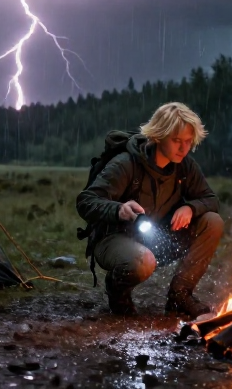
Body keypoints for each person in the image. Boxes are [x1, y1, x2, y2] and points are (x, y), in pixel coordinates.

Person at [76, 102, 223, 317]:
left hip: (156, 238)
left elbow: (210, 199)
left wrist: (191, 207)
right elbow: (85, 201)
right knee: (143, 262)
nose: (184, 148)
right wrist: (119, 209)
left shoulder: (185, 167)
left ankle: (180, 296)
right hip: (114, 239)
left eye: (188, 142)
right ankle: (118, 292)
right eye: (177, 141)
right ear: (158, 135)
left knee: (212, 221)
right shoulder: (126, 164)